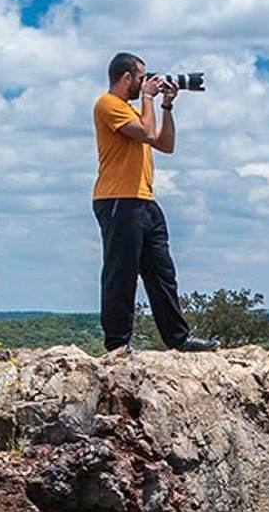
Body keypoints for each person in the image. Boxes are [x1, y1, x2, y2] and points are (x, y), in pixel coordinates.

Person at [91, 52, 217, 353]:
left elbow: (165, 144)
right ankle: (118, 343)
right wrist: (148, 98)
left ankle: (178, 338)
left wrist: (167, 105)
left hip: (144, 199)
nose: (145, 82)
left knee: (162, 272)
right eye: (141, 77)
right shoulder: (108, 105)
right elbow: (147, 133)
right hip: (118, 198)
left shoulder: (135, 111)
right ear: (125, 78)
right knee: (121, 272)